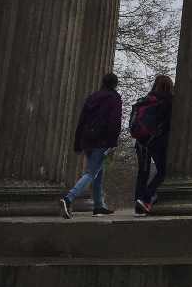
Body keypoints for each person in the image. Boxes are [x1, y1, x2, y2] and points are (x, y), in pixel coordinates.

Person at [60, 73, 123, 219]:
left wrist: (78, 142)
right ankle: (68, 198)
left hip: (87, 140)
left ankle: (98, 206)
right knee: (91, 172)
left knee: (98, 173)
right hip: (102, 140)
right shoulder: (114, 98)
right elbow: (115, 121)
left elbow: (82, 120)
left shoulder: (92, 97)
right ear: (115, 84)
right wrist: (113, 142)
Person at [133, 74, 173, 215]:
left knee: (142, 173)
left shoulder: (147, 99)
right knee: (163, 172)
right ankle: (146, 198)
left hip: (141, 141)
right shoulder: (169, 101)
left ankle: (139, 204)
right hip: (158, 141)